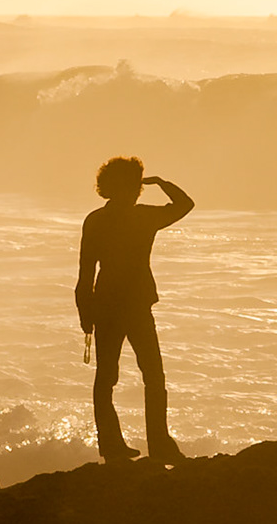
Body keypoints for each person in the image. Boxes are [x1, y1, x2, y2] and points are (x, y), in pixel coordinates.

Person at [76, 156, 194, 464]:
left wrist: (85, 313)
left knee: (107, 378)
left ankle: (113, 448)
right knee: (152, 377)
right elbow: (185, 204)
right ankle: (160, 447)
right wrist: (161, 183)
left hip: (106, 305)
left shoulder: (95, 220)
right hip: (136, 306)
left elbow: (85, 274)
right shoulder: (143, 217)